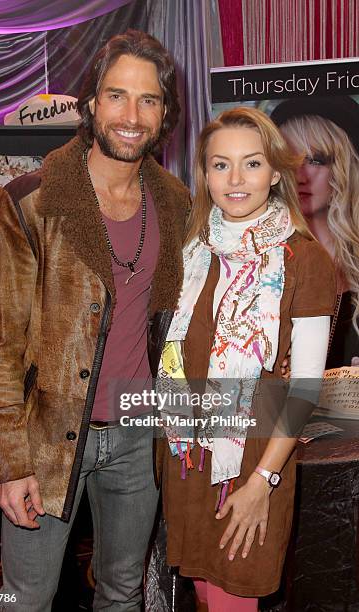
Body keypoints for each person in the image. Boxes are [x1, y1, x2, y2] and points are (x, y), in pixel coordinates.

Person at [0, 30, 190, 611]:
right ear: (91, 104)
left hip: (137, 438)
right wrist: (9, 465)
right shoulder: (29, 202)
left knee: (122, 594)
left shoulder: (176, 202)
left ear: (164, 113)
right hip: (46, 439)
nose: (131, 115)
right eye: (117, 96)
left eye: (148, 100)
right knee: (27, 600)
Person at [158, 107, 336, 611]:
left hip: (255, 462)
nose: (236, 180)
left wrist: (263, 481)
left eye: (251, 163)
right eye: (221, 165)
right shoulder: (192, 250)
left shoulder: (305, 260)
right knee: (205, 597)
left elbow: (304, 389)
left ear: (275, 173)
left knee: (236, 599)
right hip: (189, 458)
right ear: (204, 173)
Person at [271, 97, 359, 367]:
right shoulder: (260, 261)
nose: (300, 175)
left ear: (345, 168)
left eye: (316, 160)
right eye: (289, 160)